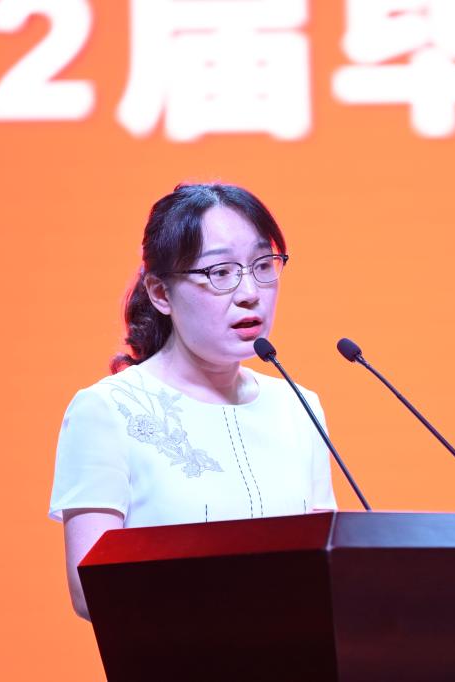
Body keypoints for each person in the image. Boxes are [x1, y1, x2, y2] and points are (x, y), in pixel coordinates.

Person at [48, 183, 337, 620]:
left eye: (263, 265)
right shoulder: (108, 411)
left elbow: (326, 566)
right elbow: (89, 589)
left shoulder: (299, 407)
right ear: (160, 293)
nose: (249, 292)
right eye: (220, 272)